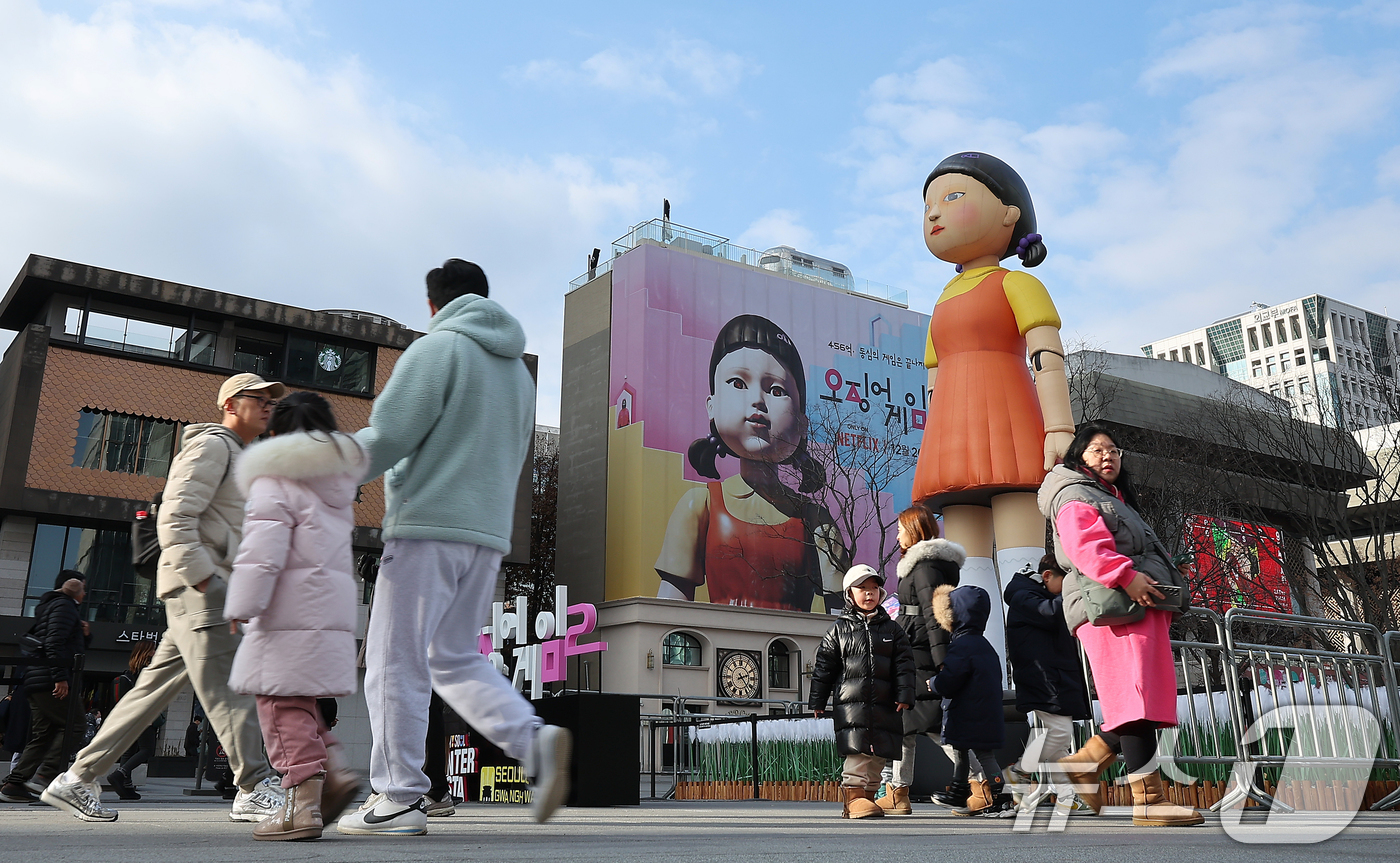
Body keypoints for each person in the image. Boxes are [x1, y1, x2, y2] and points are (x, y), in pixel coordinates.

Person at [340, 258, 569, 836]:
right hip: (486, 537)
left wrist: (317, 467)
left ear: (433, 305)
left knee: (394, 663)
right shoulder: (516, 372)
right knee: (454, 657)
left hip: (425, 527)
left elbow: (387, 438)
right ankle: (535, 744)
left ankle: (398, 797)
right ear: (484, 300)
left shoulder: (436, 351)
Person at [43, 373, 286, 823]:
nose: (270, 404)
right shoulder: (212, 445)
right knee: (231, 687)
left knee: (150, 690)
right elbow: (175, 515)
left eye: (274, 399)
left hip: (204, 588)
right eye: (261, 397)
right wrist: (204, 581)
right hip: (202, 588)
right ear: (231, 404)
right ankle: (253, 785)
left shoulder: (239, 454)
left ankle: (77, 778)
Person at [911, 152, 1076, 683]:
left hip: (1008, 420)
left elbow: (1046, 355)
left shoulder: (1016, 284)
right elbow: (933, 383)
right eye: (929, 205)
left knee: (1021, 560)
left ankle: (1033, 682)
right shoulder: (941, 300)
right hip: (954, 438)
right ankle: (990, 679)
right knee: (971, 566)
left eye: (952, 198)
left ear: (1009, 215)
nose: (935, 214)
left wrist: (1059, 426)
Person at [1038, 422, 1203, 827]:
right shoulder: (1075, 494)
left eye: (1114, 450)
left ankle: (1085, 763)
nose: (1108, 456)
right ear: (1078, 458)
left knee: (1142, 700)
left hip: (1131, 607)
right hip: (1114, 607)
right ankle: (1147, 801)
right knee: (1134, 700)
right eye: (1097, 450)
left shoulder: (1109, 496)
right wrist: (1126, 576)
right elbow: (1084, 547)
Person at [225, 391, 366, 841]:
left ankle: (301, 806)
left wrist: (242, 604)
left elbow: (261, 554)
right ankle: (336, 773)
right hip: (328, 612)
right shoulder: (336, 487)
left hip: (287, 611)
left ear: (275, 435)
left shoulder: (275, 480)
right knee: (301, 704)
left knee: (278, 703)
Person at [655, 314, 846, 613]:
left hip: (798, 653)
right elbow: (669, 608)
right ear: (712, 405)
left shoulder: (814, 519)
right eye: (737, 383)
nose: (758, 400)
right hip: (720, 651)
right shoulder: (700, 506)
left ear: (802, 423)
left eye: (777, 390)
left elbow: (841, 615)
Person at [877, 505, 966, 815]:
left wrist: (943, 662)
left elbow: (935, 616)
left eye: (902, 528)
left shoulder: (925, 567)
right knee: (904, 725)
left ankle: (984, 784)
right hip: (912, 652)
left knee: (934, 725)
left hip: (921, 656)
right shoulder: (921, 565)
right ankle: (897, 793)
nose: (898, 534)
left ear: (915, 530)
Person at [809, 564, 916, 819]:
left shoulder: (892, 629)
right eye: (862, 588)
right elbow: (824, 666)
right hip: (852, 705)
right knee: (857, 752)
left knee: (879, 754)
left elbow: (905, 665)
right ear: (849, 594)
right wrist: (817, 700)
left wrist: (905, 695)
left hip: (885, 704)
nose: (869, 593)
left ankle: (869, 796)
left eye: (874, 588)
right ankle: (854, 798)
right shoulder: (839, 629)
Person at [1003, 556, 1093, 816]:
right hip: (1044, 676)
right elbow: (1052, 612)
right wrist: (1079, 596)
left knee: (1060, 741)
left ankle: (1066, 795)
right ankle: (1020, 771)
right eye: (1067, 583)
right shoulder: (1024, 596)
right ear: (1047, 576)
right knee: (1061, 732)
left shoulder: (1031, 593)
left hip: (1052, 675)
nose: (1069, 590)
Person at [1, 572, 89, 803]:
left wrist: (84, 635)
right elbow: (54, 642)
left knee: (44, 734)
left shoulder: (48, 606)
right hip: (51, 680)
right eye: (83, 589)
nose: (85, 593)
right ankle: (44, 775)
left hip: (38, 680)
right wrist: (60, 677)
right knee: (76, 724)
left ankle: (14, 784)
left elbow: (62, 641)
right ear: (74, 590)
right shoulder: (64, 607)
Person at [929, 584, 1009, 817]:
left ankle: (999, 795)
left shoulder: (960, 646)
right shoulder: (984, 646)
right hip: (985, 711)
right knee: (966, 752)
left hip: (966, 712)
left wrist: (934, 683)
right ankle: (959, 790)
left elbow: (951, 680)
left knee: (977, 754)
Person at [106, 640, 161, 801]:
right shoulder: (148, 669)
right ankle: (119, 774)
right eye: (153, 649)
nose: (156, 652)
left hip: (129, 716)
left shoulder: (131, 671)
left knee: (129, 750)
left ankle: (126, 787)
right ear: (148, 652)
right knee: (147, 749)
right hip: (143, 715)